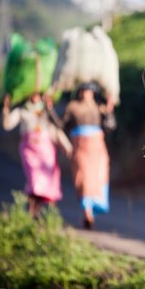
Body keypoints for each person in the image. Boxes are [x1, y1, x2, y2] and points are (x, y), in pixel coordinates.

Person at [2, 92, 72, 218]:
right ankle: (31, 208)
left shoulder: (47, 111)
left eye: (38, 95)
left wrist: (67, 147)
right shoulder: (22, 111)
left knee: (45, 181)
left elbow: (56, 129)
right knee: (34, 179)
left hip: (46, 150)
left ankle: (36, 210)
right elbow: (7, 125)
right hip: (29, 149)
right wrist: (6, 109)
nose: (35, 97)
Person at [60, 82, 116, 230]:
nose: (86, 93)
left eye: (88, 90)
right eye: (84, 90)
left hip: (97, 146)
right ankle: (87, 213)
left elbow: (110, 126)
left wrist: (110, 111)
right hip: (80, 146)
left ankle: (91, 212)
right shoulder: (72, 106)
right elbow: (61, 125)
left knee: (98, 177)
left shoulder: (99, 107)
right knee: (83, 177)